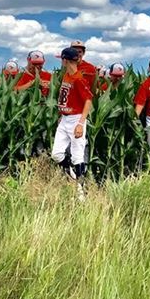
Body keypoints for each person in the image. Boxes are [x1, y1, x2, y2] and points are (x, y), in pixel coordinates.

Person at [52, 47, 93, 199]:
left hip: (76, 119)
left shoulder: (78, 79)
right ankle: (72, 174)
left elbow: (88, 101)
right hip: (65, 119)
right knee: (56, 154)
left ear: (65, 60)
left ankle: (81, 192)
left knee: (78, 156)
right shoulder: (67, 76)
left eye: (61, 59)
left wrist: (81, 124)